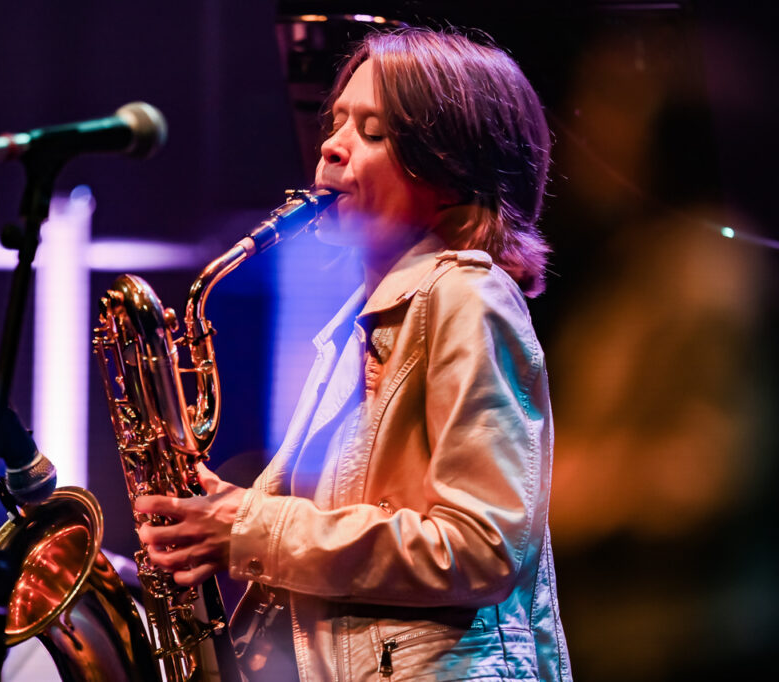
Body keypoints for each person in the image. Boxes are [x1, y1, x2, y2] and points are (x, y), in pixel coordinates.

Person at [134, 26, 572, 681]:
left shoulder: (467, 295)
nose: (332, 148)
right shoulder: (353, 328)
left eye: (373, 132)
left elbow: (483, 547)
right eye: (335, 121)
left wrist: (247, 529)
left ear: (450, 171)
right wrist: (218, 512)